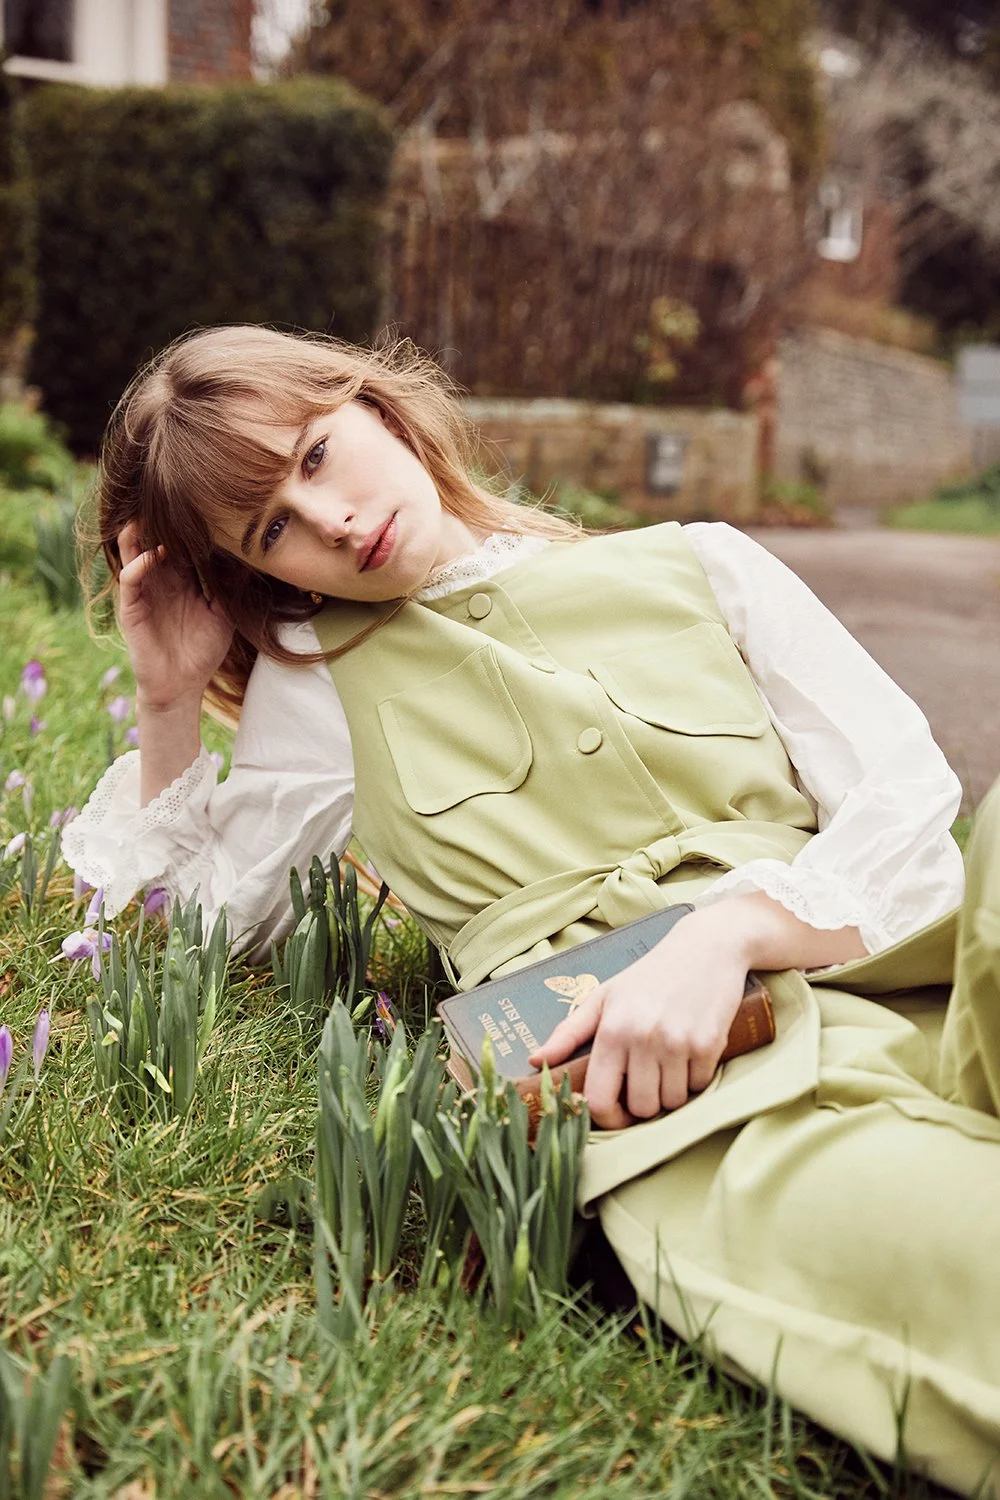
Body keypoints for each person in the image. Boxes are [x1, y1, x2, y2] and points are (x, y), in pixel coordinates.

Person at [65, 325, 1000, 1495]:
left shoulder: (699, 561)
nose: (334, 524)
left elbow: (906, 800)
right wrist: (165, 707)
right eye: (271, 531)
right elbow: (182, 936)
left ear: (377, 409)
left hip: (911, 967)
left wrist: (730, 932)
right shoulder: (322, 686)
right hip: (683, 1086)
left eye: (312, 459)